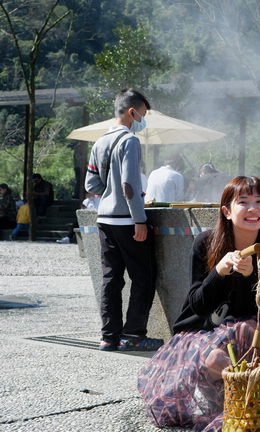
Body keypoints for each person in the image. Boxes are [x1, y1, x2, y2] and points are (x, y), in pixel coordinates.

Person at [137, 175, 260, 431]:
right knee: (215, 357)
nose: (253, 209)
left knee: (249, 327)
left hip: (240, 335)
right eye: (244, 202)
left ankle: (241, 399)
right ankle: (233, 398)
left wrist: (249, 276)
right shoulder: (205, 243)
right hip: (197, 332)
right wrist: (218, 272)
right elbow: (197, 306)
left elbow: (250, 313)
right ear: (227, 211)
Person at [85, 88, 162, 352]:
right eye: (143, 114)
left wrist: (111, 191)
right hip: (127, 221)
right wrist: (139, 220)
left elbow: (91, 183)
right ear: (132, 112)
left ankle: (109, 337)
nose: (142, 119)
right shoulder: (129, 141)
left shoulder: (99, 142)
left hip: (104, 219)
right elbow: (129, 184)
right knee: (143, 277)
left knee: (111, 279)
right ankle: (133, 335)